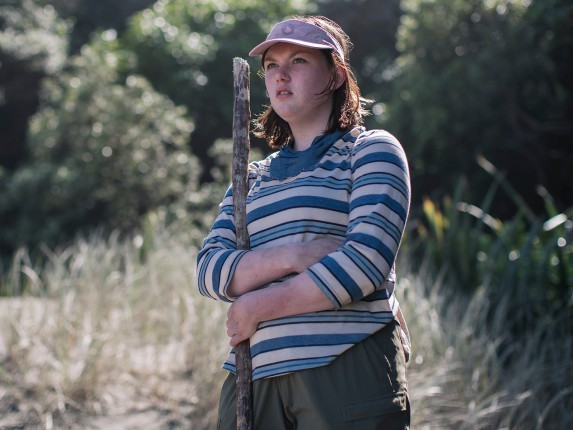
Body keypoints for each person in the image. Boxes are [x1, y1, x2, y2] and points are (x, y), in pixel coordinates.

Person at [197, 15, 411, 429]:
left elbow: (364, 264)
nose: (280, 75)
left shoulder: (370, 152)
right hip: (253, 376)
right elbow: (209, 271)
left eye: (298, 61)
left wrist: (258, 304)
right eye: (271, 65)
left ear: (336, 75)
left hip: (346, 365)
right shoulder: (250, 179)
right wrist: (296, 256)